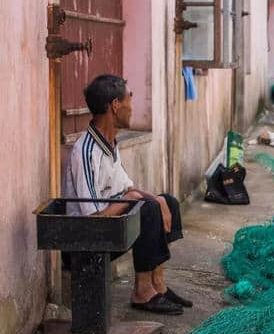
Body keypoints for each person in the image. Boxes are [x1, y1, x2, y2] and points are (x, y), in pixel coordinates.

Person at [62, 74, 192, 314]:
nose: (133, 106)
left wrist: (156, 199)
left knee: (167, 202)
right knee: (148, 209)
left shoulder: (110, 144)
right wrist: (137, 200)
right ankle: (142, 292)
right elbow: (93, 217)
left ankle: (157, 285)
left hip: (109, 226)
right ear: (115, 105)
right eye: (129, 98)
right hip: (85, 238)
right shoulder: (85, 151)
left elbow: (128, 189)